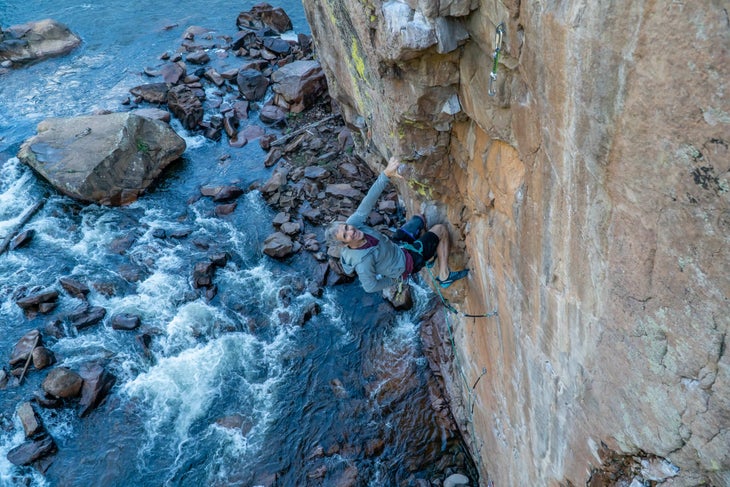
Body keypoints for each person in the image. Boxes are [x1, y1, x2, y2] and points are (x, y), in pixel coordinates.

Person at [326, 156, 468, 293]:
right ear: (345, 244)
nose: (351, 231)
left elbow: (368, 201)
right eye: (346, 235)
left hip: (395, 245)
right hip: (407, 263)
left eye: (346, 227)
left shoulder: (353, 224)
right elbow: (370, 287)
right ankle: (444, 275)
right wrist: (396, 280)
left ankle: (430, 254)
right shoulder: (363, 262)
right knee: (441, 230)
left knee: (419, 219)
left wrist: (386, 175)